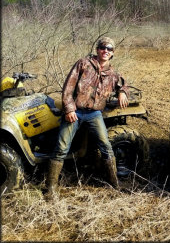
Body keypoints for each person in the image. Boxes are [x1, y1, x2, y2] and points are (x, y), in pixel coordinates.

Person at [45, 37, 129, 200]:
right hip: (75, 111)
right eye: (103, 47)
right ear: (97, 49)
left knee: (106, 146)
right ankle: (50, 189)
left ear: (113, 54)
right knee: (62, 147)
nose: (106, 51)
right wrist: (69, 109)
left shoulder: (112, 74)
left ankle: (115, 184)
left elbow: (124, 84)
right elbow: (68, 88)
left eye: (109, 49)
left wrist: (122, 92)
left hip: (94, 114)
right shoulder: (83, 64)